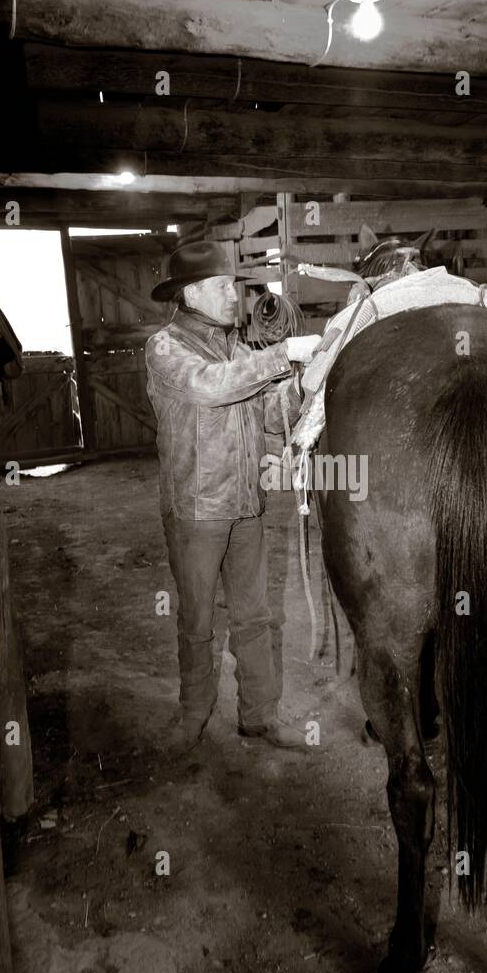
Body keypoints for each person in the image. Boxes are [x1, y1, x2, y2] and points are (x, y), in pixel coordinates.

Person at [145, 241, 320, 753]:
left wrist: (302, 381)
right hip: (196, 509)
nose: (233, 296)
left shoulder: (237, 349)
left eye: (232, 286)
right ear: (191, 293)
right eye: (222, 286)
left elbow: (269, 414)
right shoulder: (164, 348)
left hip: (245, 504)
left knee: (255, 616)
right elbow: (210, 387)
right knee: (197, 621)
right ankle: (193, 715)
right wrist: (280, 355)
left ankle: (259, 716)